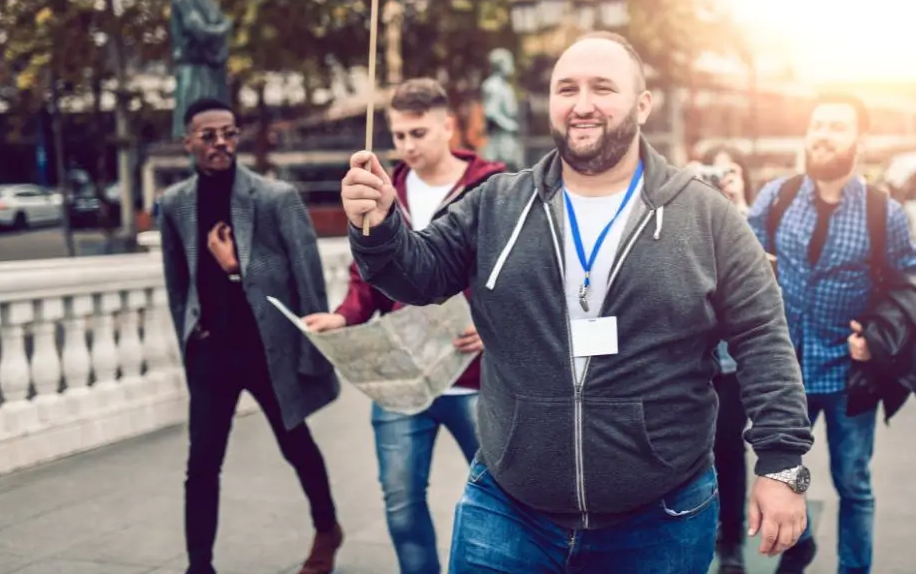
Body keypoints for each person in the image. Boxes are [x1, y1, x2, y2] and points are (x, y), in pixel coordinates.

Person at [341, 32, 813, 574]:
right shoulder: (497, 202)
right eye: (566, 88)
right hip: (508, 512)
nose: (582, 104)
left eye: (602, 88)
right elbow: (416, 275)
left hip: (661, 516)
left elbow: (763, 337)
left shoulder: (706, 216)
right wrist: (377, 226)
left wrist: (781, 464)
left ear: (642, 104)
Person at [304, 79, 505, 572]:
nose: (408, 146)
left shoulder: (494, 185)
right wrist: (344, 316)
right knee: (400, 505)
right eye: (398, 135)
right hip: (400, 378)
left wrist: (494, 323)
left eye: (418, 133)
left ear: (448, 126)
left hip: (474, 377)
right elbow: (365, 278)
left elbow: (514, 271)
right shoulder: (381, 189)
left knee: (506, 499)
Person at [158, 98, 342, 574]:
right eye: (209, 136)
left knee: (295, 443)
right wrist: (191, 341)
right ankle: (200, 565)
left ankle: (327, 528)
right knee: (201, 463)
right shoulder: (175, 204)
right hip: (211, 353)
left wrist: (239, 268)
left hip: (267, 348)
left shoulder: (274, 197)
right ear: (189, 143)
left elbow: (304, 275)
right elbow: (178, 284)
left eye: (229, 133)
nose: (221, 143)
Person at [746, 93, 916, 574]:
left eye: (836, 126)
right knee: (782, 475)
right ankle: (798, 543)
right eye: (817, 124)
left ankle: (854, 569)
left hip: (851, 375)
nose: (822, 134)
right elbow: (739, 264)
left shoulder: (881, 211)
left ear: (858, 142)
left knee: (853, 484)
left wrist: (876, 335)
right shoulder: (777, 197)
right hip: (785, 373)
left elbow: (912, 284)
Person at [696, 146, 754, 574]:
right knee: (695, 454)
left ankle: (731, 540)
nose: (721, 180)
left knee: (730, 452)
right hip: (693, 364)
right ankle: (706, 533)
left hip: (732, 366)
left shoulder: (754, 220)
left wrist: (738, 207)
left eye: (728, 171)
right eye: (713, 172)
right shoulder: (691, 216)